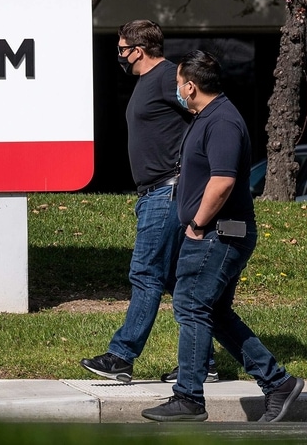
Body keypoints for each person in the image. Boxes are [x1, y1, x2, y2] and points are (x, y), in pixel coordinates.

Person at [141, 50, 304, 422]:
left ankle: (189, 398)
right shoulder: (207, 117)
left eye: (178, 83)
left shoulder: (223, 122)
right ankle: (277, 383)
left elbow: (223, 179)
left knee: (191, 305)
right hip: (214, 232)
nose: (176, 89)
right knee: (213, 312)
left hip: (218, 233)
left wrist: (197, 224)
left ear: (191, 86)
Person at [80, 20, 216, 383]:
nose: (120, 56)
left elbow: (204, 111)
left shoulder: (170, 77)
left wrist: (193, 167)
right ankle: (206, 362)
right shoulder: (148, 81)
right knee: (174, 279)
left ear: (137, 50)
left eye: (122, 49)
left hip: (167, 190)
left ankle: (122, 357)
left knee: (145, 273)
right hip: (154, 193)